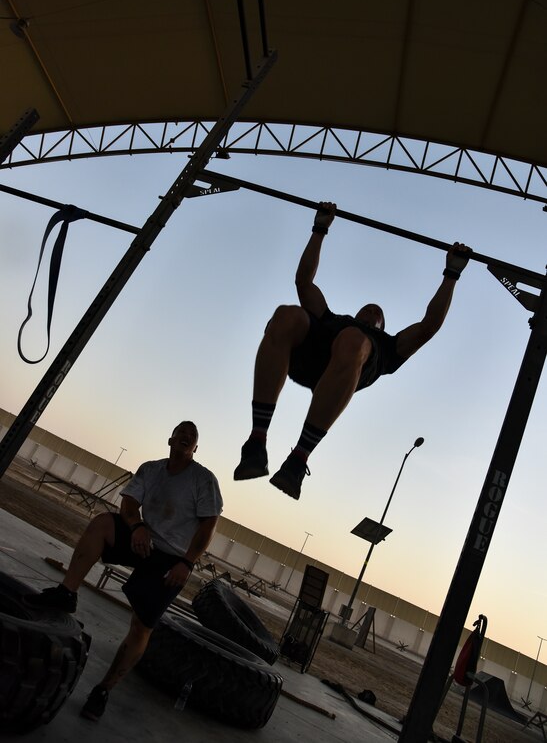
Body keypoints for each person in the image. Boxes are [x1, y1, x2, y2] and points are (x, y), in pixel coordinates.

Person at [234, 201, 472, 500]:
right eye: (368, 308)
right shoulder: (332, 319)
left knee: (353, 340)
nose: (373, 310)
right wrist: (320, 228)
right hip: (312, 357)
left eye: (378, 313)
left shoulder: (389, 347)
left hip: (349, 366)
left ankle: (298, 460)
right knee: (287, 314)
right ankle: (256, 441)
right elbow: (303, 281)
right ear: (357, 311)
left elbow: (429, 326)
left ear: (382, 326)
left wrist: (452, 274)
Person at [25, 420, 223, 721]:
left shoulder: (203, 480)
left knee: (141, 627)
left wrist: (187, 562)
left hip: (171, 560)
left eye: (192, 436)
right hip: (140, 540)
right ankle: (67, 592)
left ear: (196, 448)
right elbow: (129, 503)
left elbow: (209, 525)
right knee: (103, 523)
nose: (186, 436)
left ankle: (104, 689)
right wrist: (138, 526)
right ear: (170, 440)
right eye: (181, 432)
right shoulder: (151, 469)